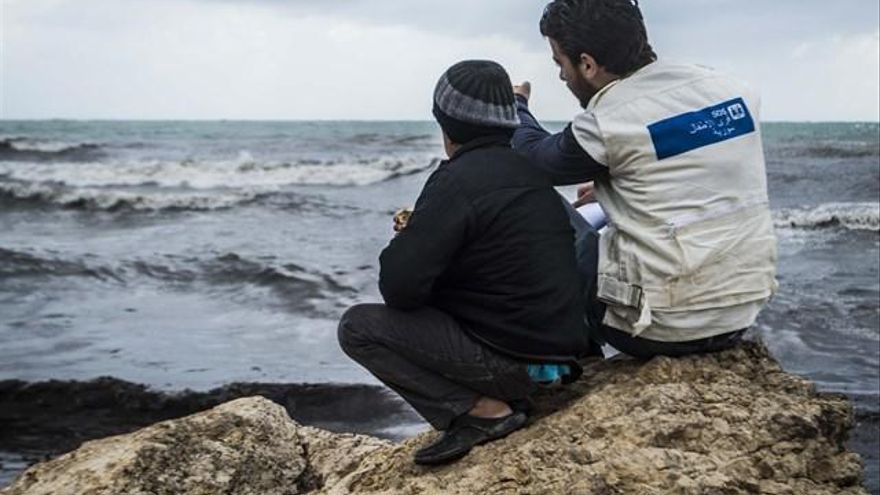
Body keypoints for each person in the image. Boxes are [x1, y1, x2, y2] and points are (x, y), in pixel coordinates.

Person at [338, 60, 595, 466]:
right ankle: (505, 395)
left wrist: (409, 238)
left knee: (358, 327)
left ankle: (483, 412)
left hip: (514, 365)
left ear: (444, 121)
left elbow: (400, 289)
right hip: (564, 357)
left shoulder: (456, 181)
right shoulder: (532, 173)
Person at [512, 0, 778, 359]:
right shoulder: (733, 89)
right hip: (740, 312)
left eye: (561, 63)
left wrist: (515, 105)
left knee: (531, 202)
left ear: (587, 64)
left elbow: (536, 160)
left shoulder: (608, 120)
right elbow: (693, 167)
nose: (562, 76)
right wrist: (618, 187)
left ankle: (561, 359)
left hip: (660, 329)